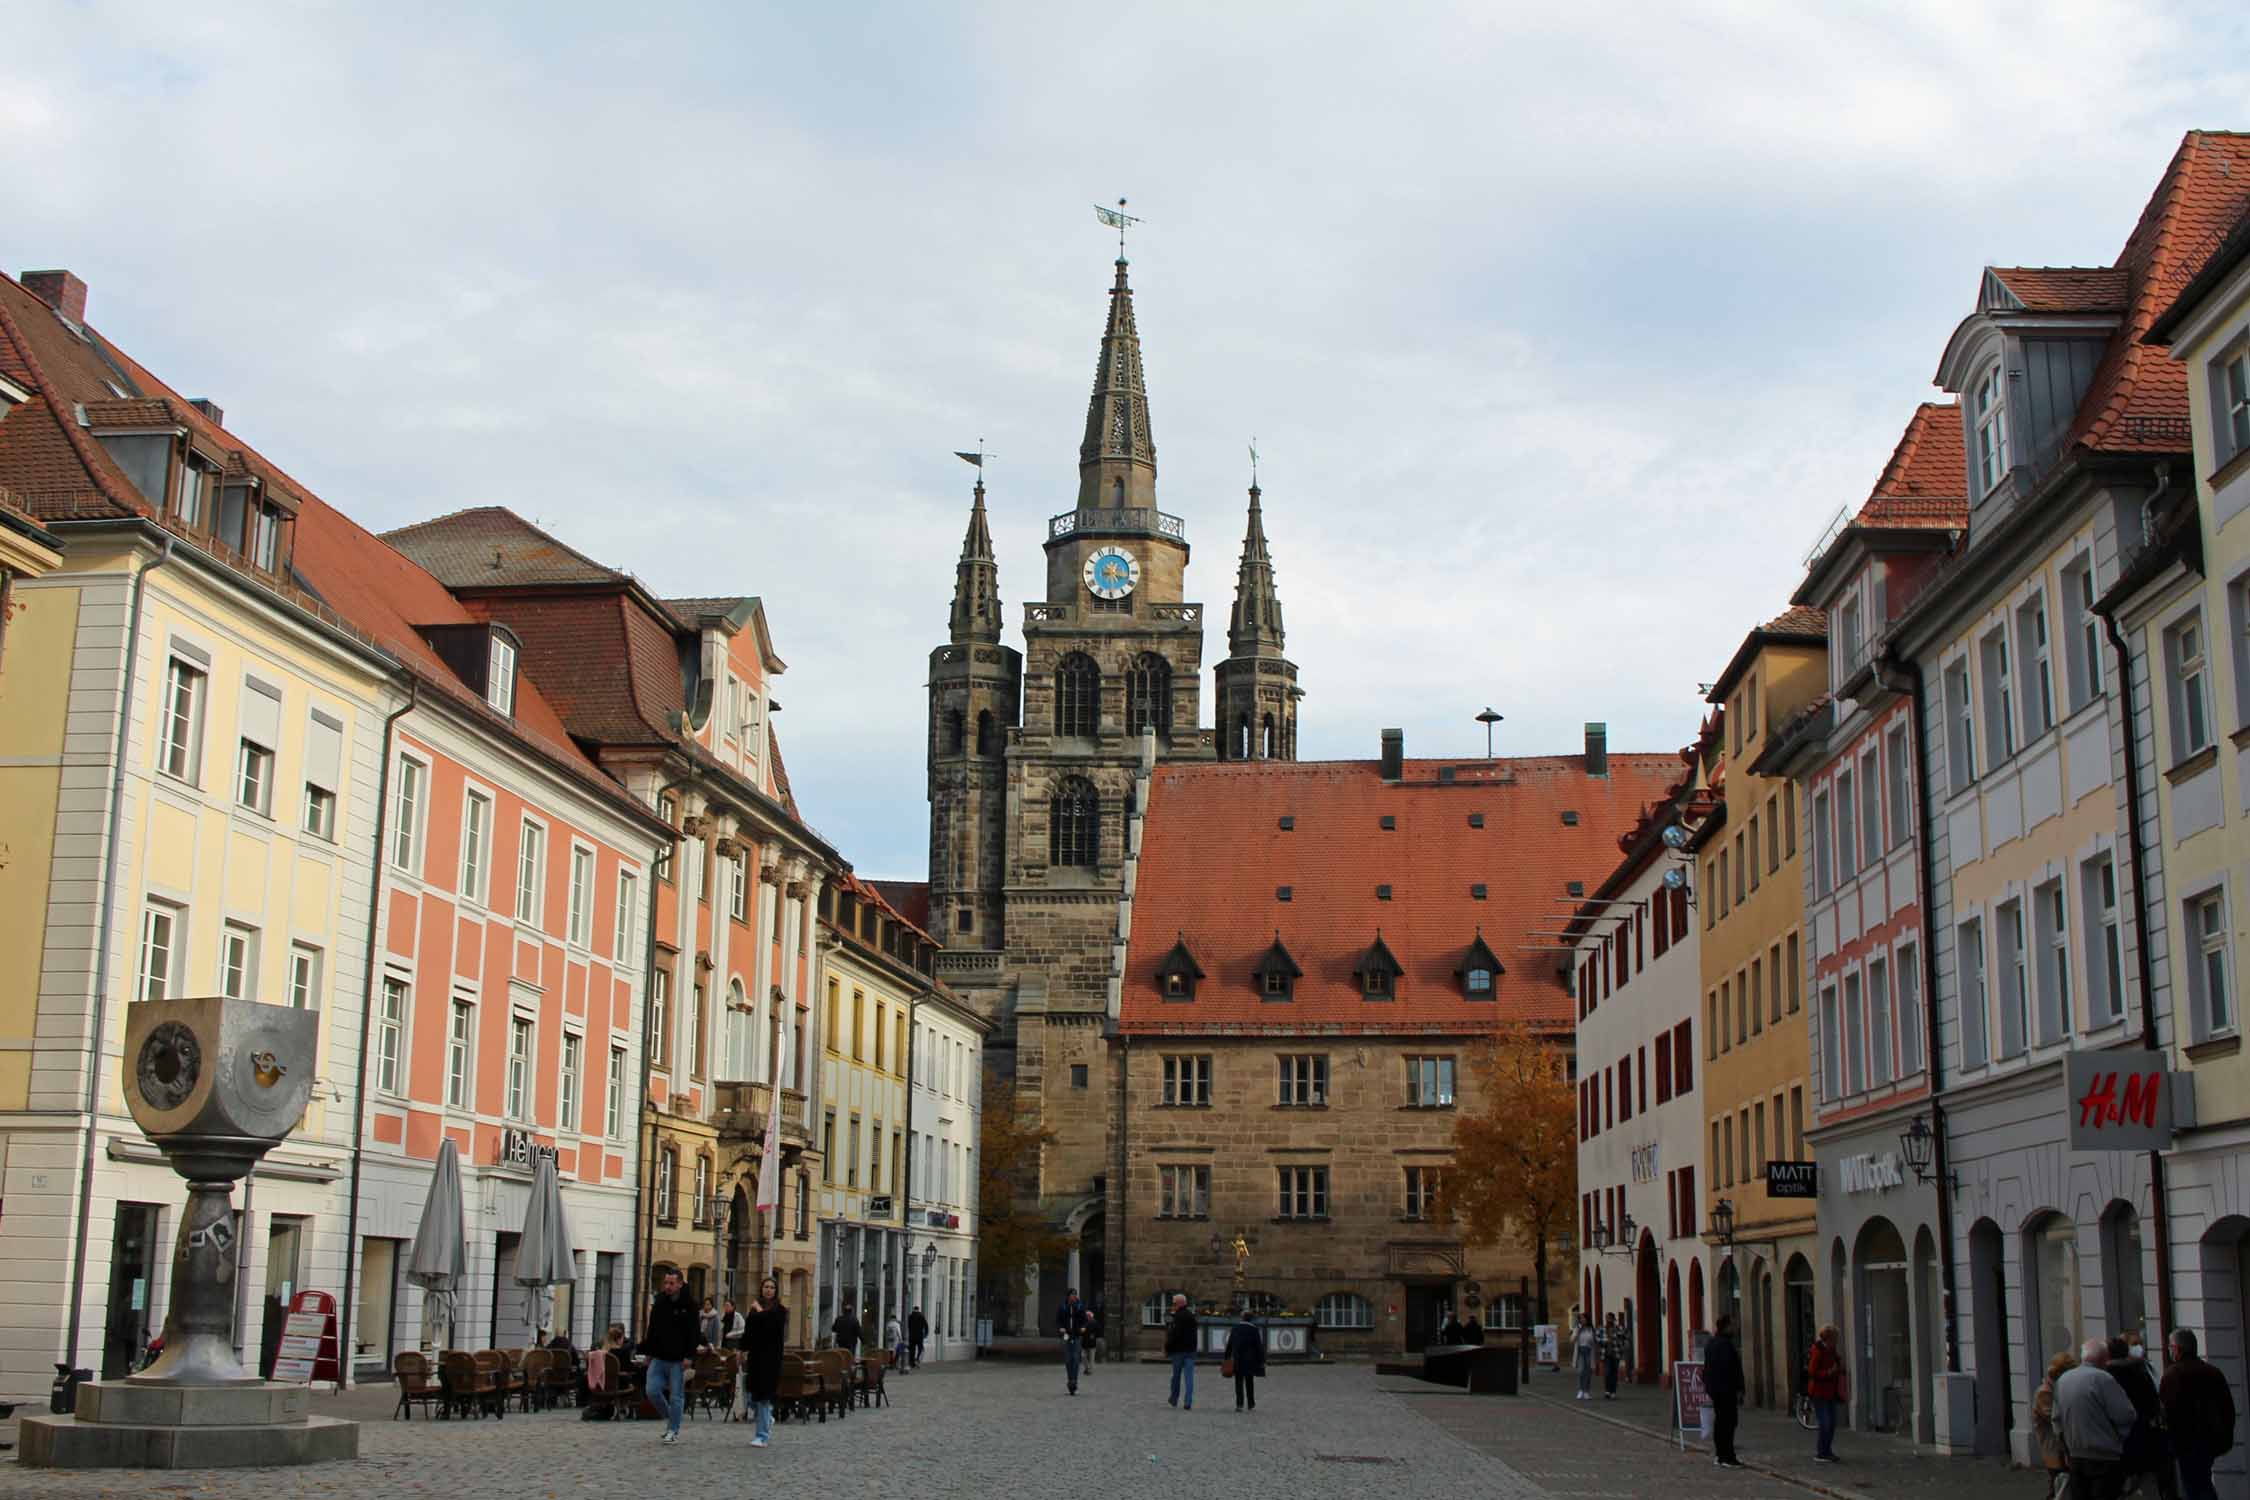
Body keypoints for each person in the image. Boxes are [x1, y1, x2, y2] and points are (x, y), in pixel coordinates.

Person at [2057, 1336, 2141, 1500]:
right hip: (2104, 1456)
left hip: (2076, 1454)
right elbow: (2126, 1414)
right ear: (2105, 1359)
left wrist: (2064, 1445)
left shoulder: (2063, 1380)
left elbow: (2056, 1418)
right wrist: (2120, 1437)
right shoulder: (2103, 1379)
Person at [2161, 1327, 2238, 1500]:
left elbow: (2168, 1412)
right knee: (2201, 1482)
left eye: (2170, 1347)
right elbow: (2228, 1410)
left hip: (2185, 1442)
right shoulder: (2213, 1372)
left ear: (2178, 1349)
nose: (2169, 1351)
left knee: (2195, 1486)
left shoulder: (2173, 1375)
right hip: (2212, 1441)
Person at [2107, 1333, 2174, 1500]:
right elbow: (2153, 1404)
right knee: (2148, 1482)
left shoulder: (2106, 1376)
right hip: (2143, 1436)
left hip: (2114, 1441)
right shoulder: (2140, 1371)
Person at [643, 1268, 703, 1446]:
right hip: (659, 1356)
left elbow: (694, 1333)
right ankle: (671, 1419)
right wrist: (648, 1352)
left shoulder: (690, 1305)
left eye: (671, 1283)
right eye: (665, 1283)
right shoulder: (660, 1301)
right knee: (652, 1390)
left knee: (676, 1396)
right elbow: (652, 1329)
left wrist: (689, 1356)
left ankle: (673, 1431)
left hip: (678, 1358)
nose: (667, 1286)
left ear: (680, 1284)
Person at [740, 1276, 787, 1447]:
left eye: (772, 1287)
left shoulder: (779, 1311)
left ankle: (762, 1435)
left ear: (776, 1291)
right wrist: (742, 1349)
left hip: (771, 1359)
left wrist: (759, 1311)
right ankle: (768, 1416)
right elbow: (749, 1331)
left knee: (764, 1397)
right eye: (766, 1287)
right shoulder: (754, 1309)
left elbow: (772, 1327)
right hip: (756, 1357)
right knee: (752, 1396)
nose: (768, 1290)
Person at [2032, 1349, 2077, 1498]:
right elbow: (2053, 1417)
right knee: (2058, 1485)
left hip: (2061, 1445)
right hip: (2054, 1446)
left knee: (2063, 1484)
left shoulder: (2058, 1388)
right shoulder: (2045, 1392)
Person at [1705, 1314, 1746, 1470]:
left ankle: (1721, 1455)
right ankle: (1727, 1456)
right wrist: (1738, 1388)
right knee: (1727, 1423)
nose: (1736, 1328)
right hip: (1726, 1390)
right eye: (1733, 1325)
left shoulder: (1712, 1343)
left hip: (1717, 1390)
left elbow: (1707, 1369)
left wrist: (1710, 1387)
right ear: (1727, 1326)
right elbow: (1730, 1370)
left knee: (1721, 1423)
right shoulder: (1725, 1345)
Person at [1806, 1323, 1846, 1462]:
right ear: (1829, 1338)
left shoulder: (1832, 1350)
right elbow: (1812, 1371)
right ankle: (1821, 1452)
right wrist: (1828, 1372)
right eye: (1835, 1338)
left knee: (1832, 1422)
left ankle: (1827, 1450)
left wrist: (1838, 1367)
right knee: (1825, 1422)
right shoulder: (1818, 1350)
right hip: (1819, 1391)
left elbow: (1837, 1362)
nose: (1836, 1341)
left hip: (1830, 1391)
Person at [1225, 1306, 1267, 1412]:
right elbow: (1258, 1346)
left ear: (1242, 1318)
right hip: (1250, 1359)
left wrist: (1227, 1357)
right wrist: (1262, 1360)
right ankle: (1251, 1403)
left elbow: (1230, 1344)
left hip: (1238, 1359)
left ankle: (1239, 1404)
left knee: (1238, 1382)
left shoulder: (1235, 1328)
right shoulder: (1254, 1329)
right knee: (1249, 1382)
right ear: (1251, 1318)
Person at [1164, 1293, 1199, 1409]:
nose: (1173, 1305)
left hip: (1178, 1351)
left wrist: (1167, 1347)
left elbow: (1174, 1335)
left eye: (1174, 1303)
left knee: (1176, 1376)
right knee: (1189, 1378)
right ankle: (1188, 1402)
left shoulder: (1177, 1317)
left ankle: (1174, 1398)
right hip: (1190, 1350)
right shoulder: (1192, 1316)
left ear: (1179, 1304)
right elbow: (1194, 1334)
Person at [1057, 1287, 1094, 1396]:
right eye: (1072, 1295)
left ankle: (1074, 1381)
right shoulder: (1063, 1307)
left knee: (1076, 1358)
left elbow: (1085, 1321)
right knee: (1068, 1358)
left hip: (1077, 1335)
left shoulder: (1080, 1307)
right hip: (1067, 1335)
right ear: (1068, 1296)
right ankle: (1070, 1380)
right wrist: (1060, 1328)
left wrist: (1083, 1327)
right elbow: (1058, 1321)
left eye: (1075, 1295)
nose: (1074, 1297)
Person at [1573, 1316, 1597, 1400]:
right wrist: (1577, 1332)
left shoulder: (1591, 1329)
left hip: (1589, 1351)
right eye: (1581, 1319)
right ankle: (1580, 1390)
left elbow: (1594, 1341)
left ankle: (1586, 1391)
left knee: (1588, 1372)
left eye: (1584, 1318)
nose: (1582, 1320)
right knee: (1581, 1371)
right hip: (1580, 1351)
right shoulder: (1577, 1328)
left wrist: (1592, 1340)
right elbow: (1572, 1339)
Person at [1601, 1315, 1622, 1400]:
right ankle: (1607, 1391)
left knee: (1614, 1374)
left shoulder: (1618, 1328)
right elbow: (1597, 1338)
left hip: (1615, 1354)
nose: (1608, 1320)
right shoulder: (1602, 1329)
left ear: (1613, 1319)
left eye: (1610, 1318)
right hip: (1606, 1354)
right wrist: (1604, 1340)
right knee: (1607, 1373)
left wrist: (1619, 1344)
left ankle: (1613, 1392)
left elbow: (1623, 1338)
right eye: (1607, 1318)